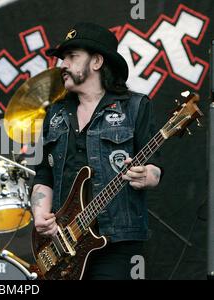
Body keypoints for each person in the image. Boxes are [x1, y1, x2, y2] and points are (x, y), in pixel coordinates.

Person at [31, 22, 162, 280]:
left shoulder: (135, 107)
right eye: (62, 59)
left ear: (97, 62)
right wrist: (40, 214)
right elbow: (43, 174)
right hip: (63, 243)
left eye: (71, 57)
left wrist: (146, 176)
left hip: (116, 243)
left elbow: (155, 168)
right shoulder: (54, 115)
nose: (63, 65)